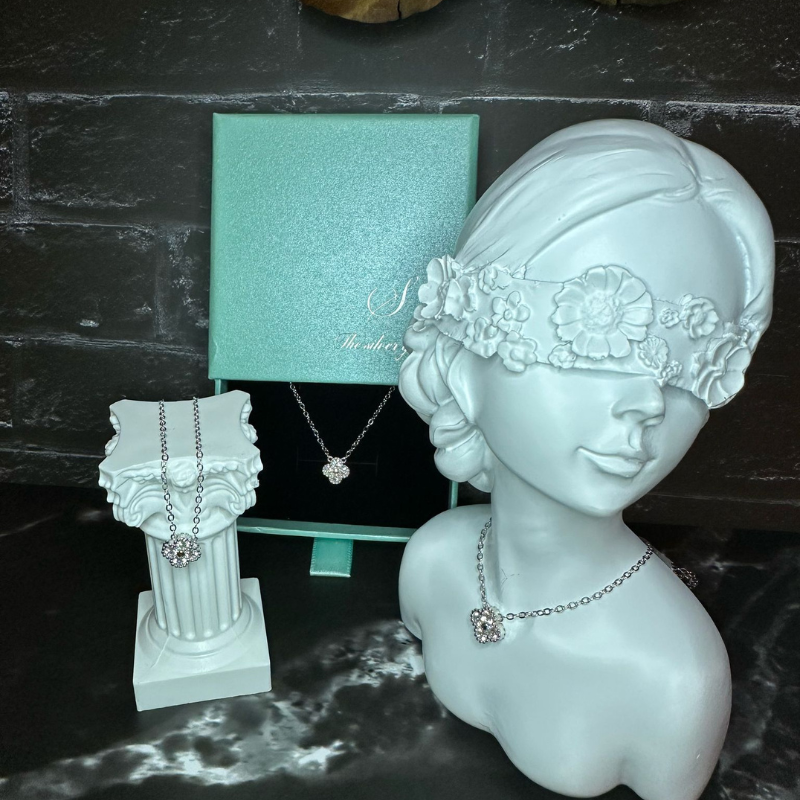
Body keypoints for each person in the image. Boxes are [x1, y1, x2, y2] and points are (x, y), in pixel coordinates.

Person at [397, 119, 774, 800]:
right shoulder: (432, 563)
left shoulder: (676, 682)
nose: (648, 404)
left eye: (691, 368)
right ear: (462, 364)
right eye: (595, 350)